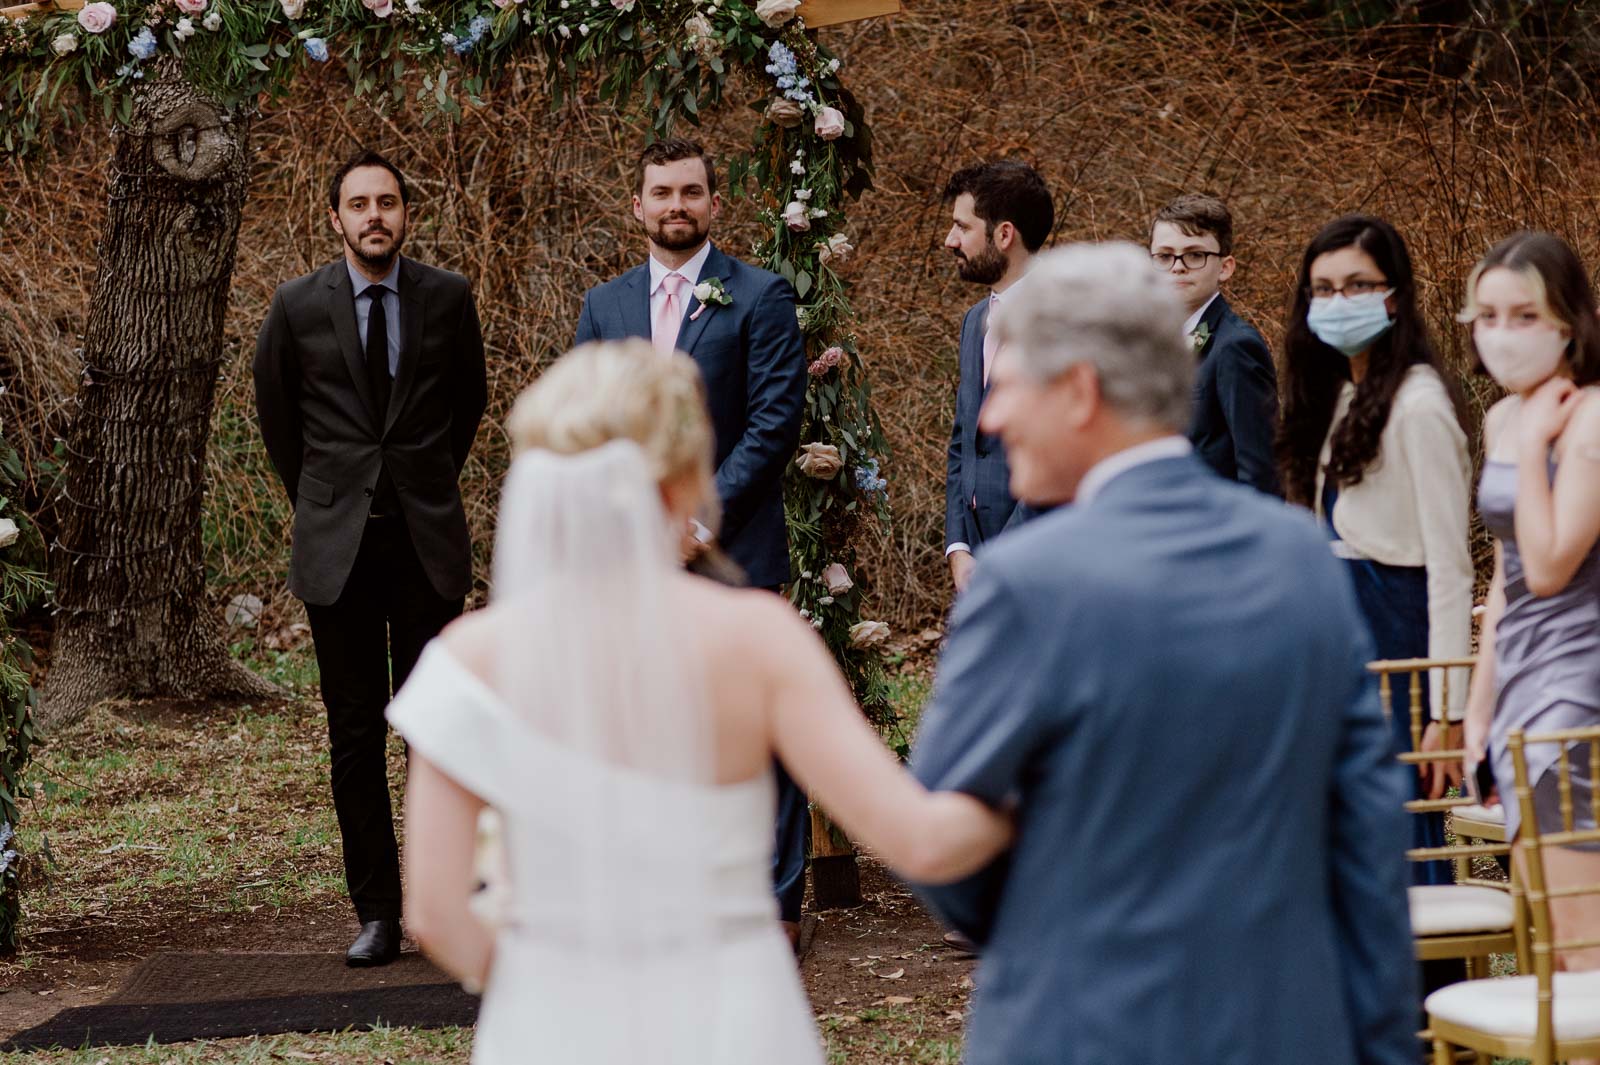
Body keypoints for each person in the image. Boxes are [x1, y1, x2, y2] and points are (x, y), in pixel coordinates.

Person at [387, 340, 1012, 1065]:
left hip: (548, 1028)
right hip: (731, 1022)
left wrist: (550, 986)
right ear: (684, 482)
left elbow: (433, 911)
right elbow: (923, 840)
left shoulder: (470, 657)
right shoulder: (754, 640)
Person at [910, 242, 1416, 1065]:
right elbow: (1366, 843)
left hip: (1085, 1027)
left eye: (1005, 389)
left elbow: (946, 865)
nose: (990, 421)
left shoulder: (1026, 584)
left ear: (1077, 391)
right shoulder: (1297, 559)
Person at [571, 138, 811, 946]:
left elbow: (777, 420)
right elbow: (587, 422)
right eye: (661, 192)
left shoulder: (761, 295)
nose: (677, 205)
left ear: (714, 203)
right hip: (634, 551)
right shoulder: (604, 306)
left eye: (692, 192)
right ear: (635, 205)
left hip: (734, 547)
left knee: (754, 720)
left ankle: (777, 897)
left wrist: (702, 516)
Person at [253, 149, 488, 967]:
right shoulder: (295, 306)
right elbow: (279, 417)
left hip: (425, 543)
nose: (374, 215)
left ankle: (440, 897)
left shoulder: (449, 298)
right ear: (335, 217)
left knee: (436, 729)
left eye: (387, 201)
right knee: (353, 733)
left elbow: (469, 404)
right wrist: (328, 497)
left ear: (405, 214)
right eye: (359, 204)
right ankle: (379, 912)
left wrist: (419, 483)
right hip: (338, 550)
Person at [1275, 215, 1473, 887]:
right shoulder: (1340, 396)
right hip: (1343, 637)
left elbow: (1450, 567)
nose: (1337, 301)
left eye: (1356, 284)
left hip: (1399, 639)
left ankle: (1424, 989)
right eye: (1322, 288)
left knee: (1401, 839)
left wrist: (1447, 711)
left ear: (1394, 296)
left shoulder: (1419, 405)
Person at [1461, 232, 1600, 975]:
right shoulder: (1500, 419)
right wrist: (1479, 704)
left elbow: (1550, 566)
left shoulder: (1591, 418)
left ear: (1568, 322)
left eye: (1524, 316)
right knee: (1552, 936)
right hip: (1519, 678)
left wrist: (1542, 437)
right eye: (1485, 316)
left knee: (1586, 948)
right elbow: (1508, 581)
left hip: (1580, 681)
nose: (1501, 335)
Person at [941, 160, 1053, 593]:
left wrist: (1002, 561)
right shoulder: (974, 322)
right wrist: (958, 546)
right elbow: (962, 442)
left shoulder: (1061, 321)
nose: (951, 241)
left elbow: (1061, 458)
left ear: (1003, 235)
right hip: (976, 562)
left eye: (962, 227)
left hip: (1040, 563)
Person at [1149, 193, 1280, 494]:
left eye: (1195, 255)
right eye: (1165, 256)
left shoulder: (1235, 347)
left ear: (1225, 267)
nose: (1178, 267)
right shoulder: (1151, 341)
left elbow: (1261, 471)